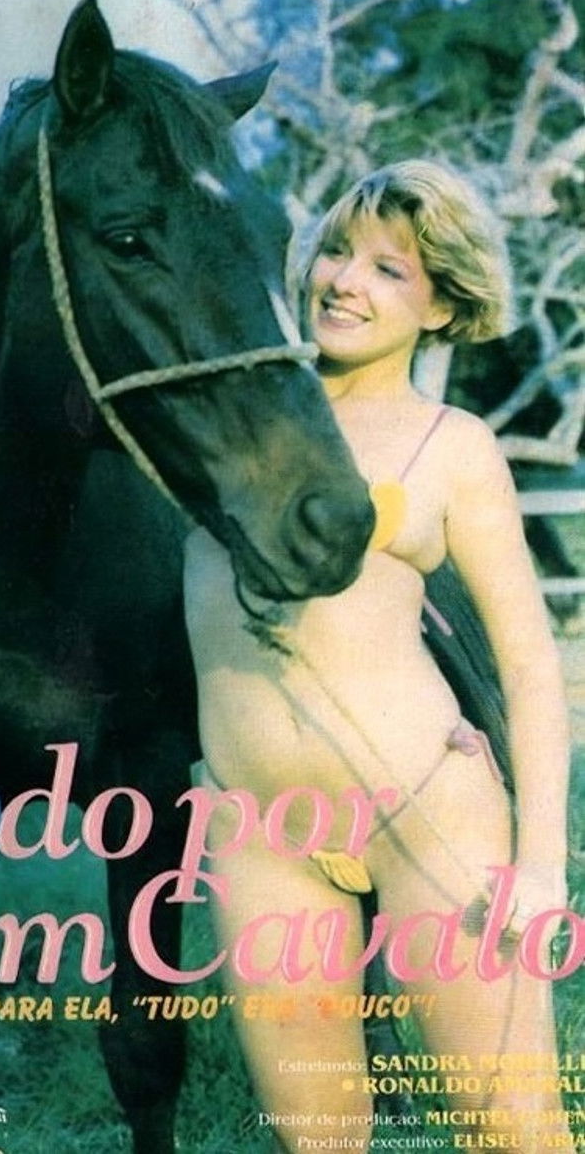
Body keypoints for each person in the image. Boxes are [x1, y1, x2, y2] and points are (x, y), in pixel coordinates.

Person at [183, 159, 574, 1153]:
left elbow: (530, 665)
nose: (345, 281)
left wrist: (541, 866)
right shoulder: (219, 420)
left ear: (442, 303)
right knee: (318, 1138)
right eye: (337, 252)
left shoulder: (452, 444)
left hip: (426, 812)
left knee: (510, 1126)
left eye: (389, 269)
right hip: (260, 834)